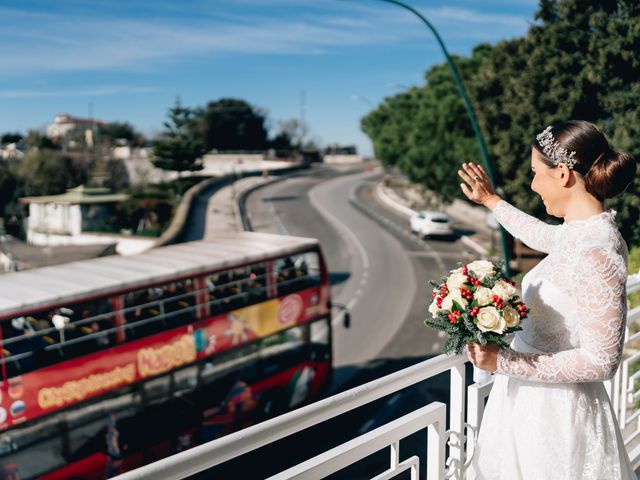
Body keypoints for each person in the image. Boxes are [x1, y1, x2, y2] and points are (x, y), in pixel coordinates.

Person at [458, 120, 637, 479]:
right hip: (528, 406)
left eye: (535, 173)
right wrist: (491, 200)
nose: (532, 184)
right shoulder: (584, 230)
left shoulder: (596, 251)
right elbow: (541, 235)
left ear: (563, 175)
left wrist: (504, 361)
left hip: (558, 419)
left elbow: (602, 362)